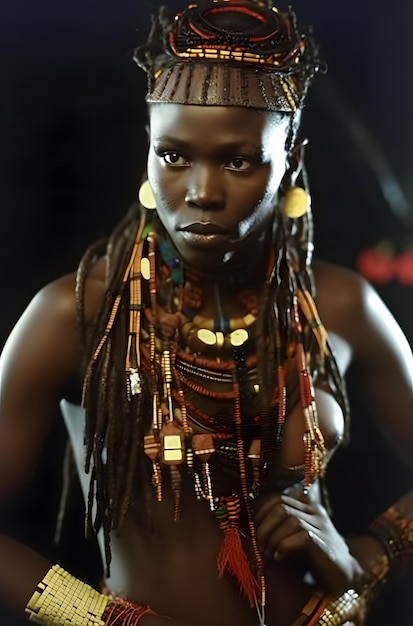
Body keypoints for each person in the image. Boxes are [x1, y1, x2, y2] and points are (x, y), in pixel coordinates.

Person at [0, 1, 413, 625]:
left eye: (239, 160)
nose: (201, 192)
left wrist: (363, 564)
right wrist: (103, 620)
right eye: (174, 156)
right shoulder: (79, 314)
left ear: (292, 156)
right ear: (149, 149)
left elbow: (355, 568)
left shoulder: (340, 306)